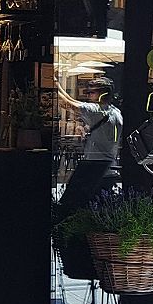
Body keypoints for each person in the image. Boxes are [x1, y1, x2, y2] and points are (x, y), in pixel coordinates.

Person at [55, 76, 123, 218]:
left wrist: (54, 84)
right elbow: (73, 102)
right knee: (97, 210)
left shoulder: (97, 111)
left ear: (103, 94)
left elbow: (67, 103)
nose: (88, 95)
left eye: (91, 92)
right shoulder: (115, 112)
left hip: (94, 165)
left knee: (71, 207)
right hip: (108, 167)